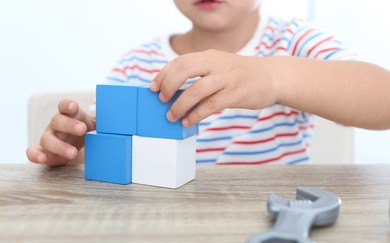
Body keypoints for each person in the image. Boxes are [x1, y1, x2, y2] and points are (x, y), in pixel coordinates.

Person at [26, 0, 390, 166]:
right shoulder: (138, 62)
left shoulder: (291, 42)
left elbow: (383, 101)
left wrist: (274, 75)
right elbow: (100, 146)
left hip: (274, 219)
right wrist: (77, 147)